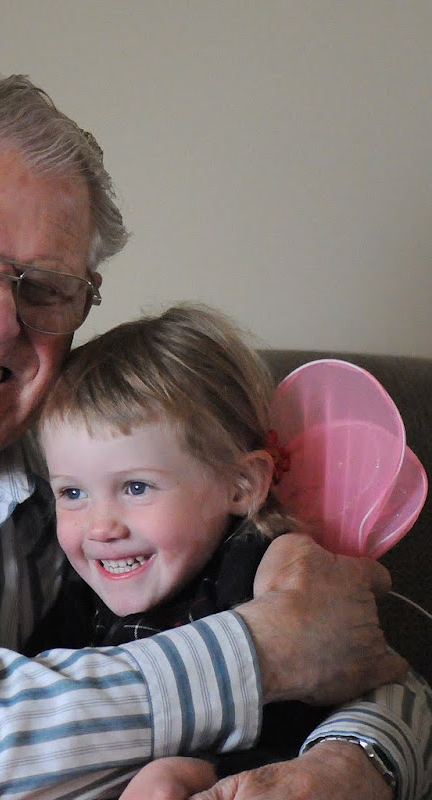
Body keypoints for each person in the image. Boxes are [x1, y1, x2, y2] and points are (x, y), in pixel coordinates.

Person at [0, 69, 426, 800]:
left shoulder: (88, 444)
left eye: (43, 288)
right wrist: (272, 649)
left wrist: (349, 763)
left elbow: (361, 651)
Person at [32, 303, 431, 799]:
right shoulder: (74, 593)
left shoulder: (266, 576)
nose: (99, 527)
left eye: (136, 487)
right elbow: (41, 698)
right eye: (72, 493)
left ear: (241, 485)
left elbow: (315, 717)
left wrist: (197, 773)